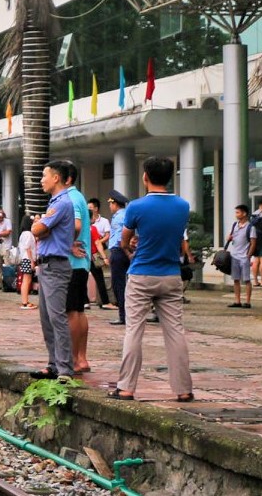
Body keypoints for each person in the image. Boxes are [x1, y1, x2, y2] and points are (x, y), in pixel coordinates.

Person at [110, 156, 194, 403]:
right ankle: (183, 389)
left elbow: (124, 240)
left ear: (145, 176)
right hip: (171, 274)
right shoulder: (182, 206)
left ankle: (126, 387)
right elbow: (174, 236)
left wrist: (132, 247)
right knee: (175, 332)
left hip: (142, 274)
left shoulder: (136, 207)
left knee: (134, 330)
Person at [30, 161, 77, 380]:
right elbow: (42, 230)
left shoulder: (61, 203)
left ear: (56, 178)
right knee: (46, 319)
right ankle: (54, 364)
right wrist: (41, 227)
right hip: (47, 265)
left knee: (57, 318)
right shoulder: (55, 203)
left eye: (44, 176)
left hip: (55, 265)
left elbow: (38, 229)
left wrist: (39, 225)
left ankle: (65, 368)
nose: (42, 180)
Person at [59, 161, 92, 374]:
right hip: (81, 264)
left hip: (72, 263)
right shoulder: (78, 196)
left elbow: (76, 224)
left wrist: (68, 243)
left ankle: (73, 358)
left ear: (67, 178)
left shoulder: (70, 198)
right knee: (78, 310)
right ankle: (81, 357)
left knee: (71, 311)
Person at [106, 190, 131, 325]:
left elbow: (121, 237)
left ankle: (123, 316)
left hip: (119, 251)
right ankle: (127, 315)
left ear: (115, 204)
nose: (110, 206)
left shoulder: (119, 217)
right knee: (126, 284)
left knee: (118, 285)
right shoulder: (126, 214)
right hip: (124, 251)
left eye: (111, 204)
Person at [226, 204, 256, 308]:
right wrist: (229, 238)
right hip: (234, 256)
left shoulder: (250, 227)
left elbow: (253, 243)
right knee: (236, 279)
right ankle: (237, 301)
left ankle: (247, 301)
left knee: (247, 280)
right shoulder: (235, 225)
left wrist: (248, 256)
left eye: (238, 212)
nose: (236, 214)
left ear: (244, 213)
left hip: (244, 257)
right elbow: (230, 237)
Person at [17, 219, 37, 309]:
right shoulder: (28, 234)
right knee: (26, 280)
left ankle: (25, 301)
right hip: (28, 259)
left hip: (24, 258)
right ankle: (25, 302)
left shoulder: (23, 234)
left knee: (26, 280)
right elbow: (28, 248)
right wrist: (32, 261)